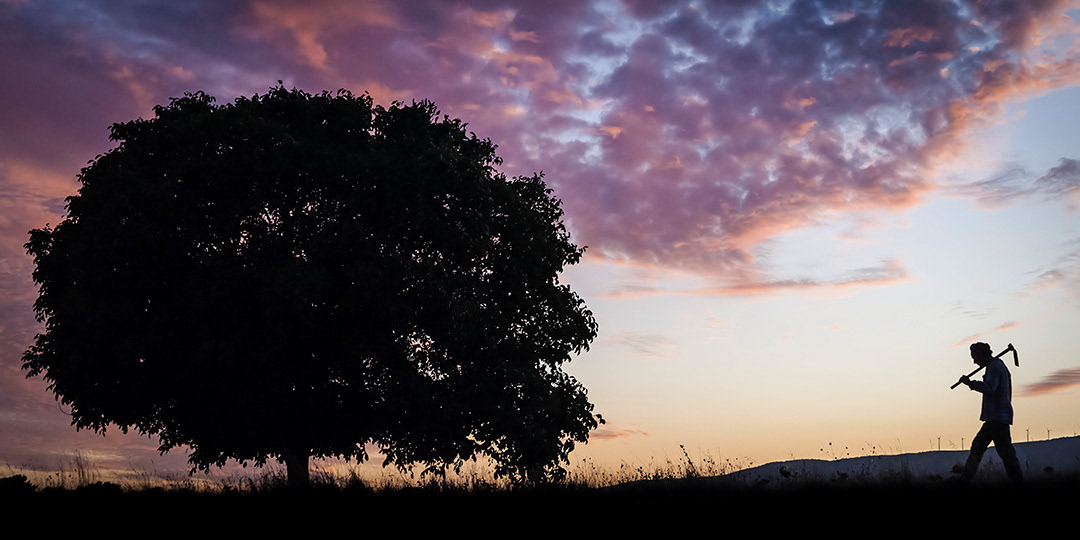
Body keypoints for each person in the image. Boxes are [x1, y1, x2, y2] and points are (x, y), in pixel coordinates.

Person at [958, 342, 1022, 485]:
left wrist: (971, 384)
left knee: (1005, 453)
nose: (974, 361)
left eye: (974, 356)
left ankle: (1018, 483)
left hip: (997, 418)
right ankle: (964, 481)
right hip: (995, 417)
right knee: (978, 447)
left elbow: (990, 388)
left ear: (982, 354)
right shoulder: (996, 366)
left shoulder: (994, 367)